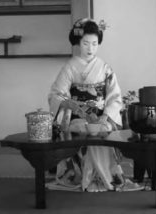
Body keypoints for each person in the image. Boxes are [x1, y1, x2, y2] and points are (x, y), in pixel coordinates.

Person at [47, 18, 142, 192]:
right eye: (85, 43)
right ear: (78, 43)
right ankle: (84, 175)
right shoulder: (70, 67)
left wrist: (105, 116)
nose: (90, 48)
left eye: (94, 44)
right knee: (83, 129)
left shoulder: (104, 67)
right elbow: (56, 94)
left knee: (102, 129)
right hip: (78, 116)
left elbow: (115, 96)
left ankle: (102, 174)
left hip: (101, 116)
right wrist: (68, 103)